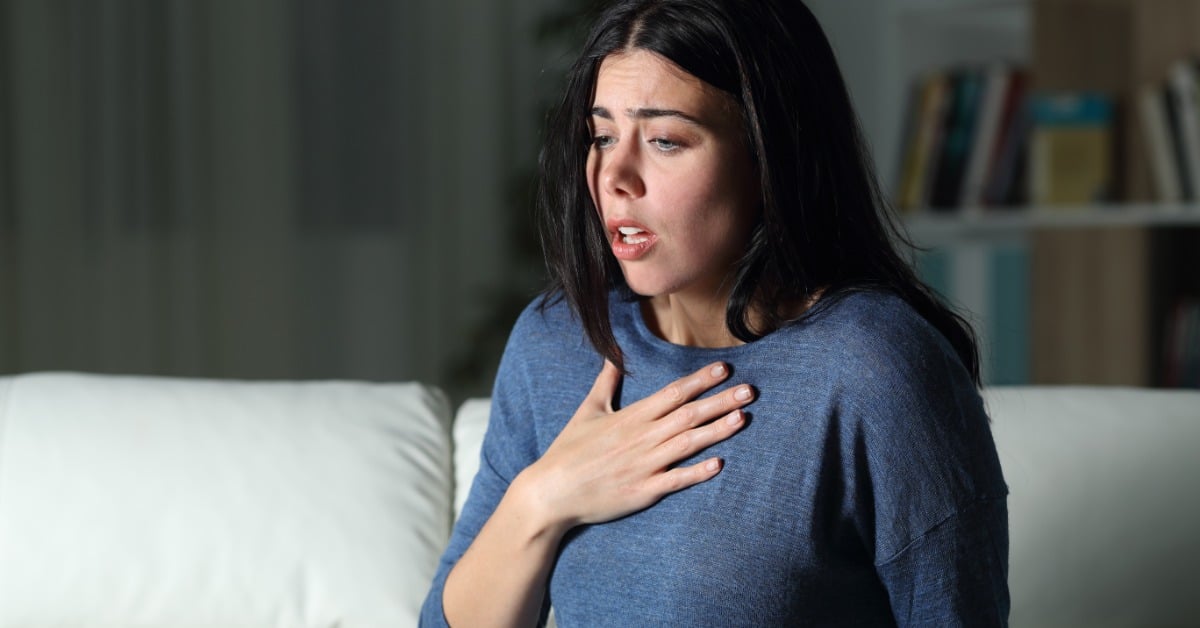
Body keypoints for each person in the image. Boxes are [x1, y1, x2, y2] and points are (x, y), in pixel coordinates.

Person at [421, 0, 1009, 625]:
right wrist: (544, 499)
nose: (615, 175)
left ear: (769, 152)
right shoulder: (557, 340)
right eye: (602, 135)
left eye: (666, 140)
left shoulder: (876, 368)